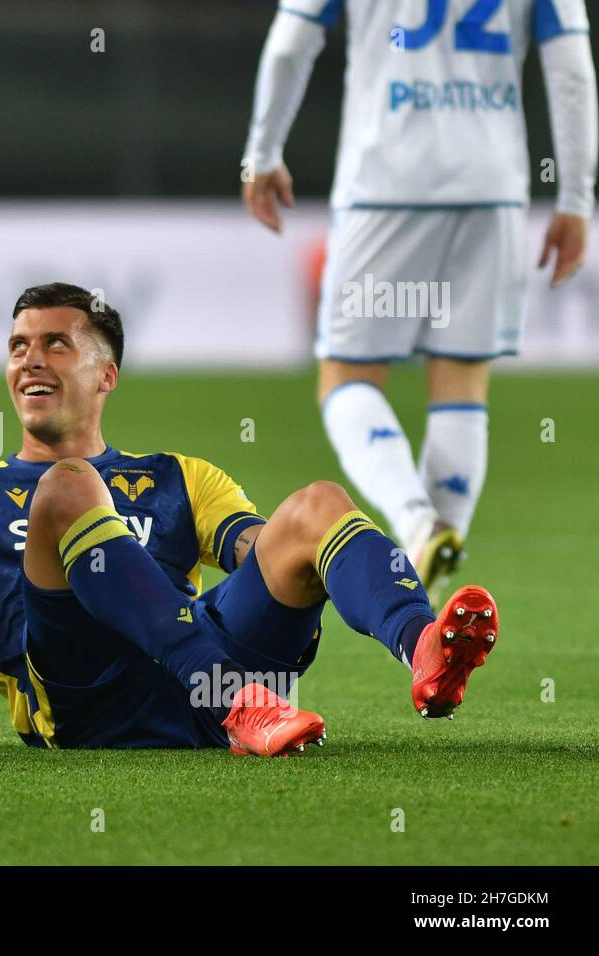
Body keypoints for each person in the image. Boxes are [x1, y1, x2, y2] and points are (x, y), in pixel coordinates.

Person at [0, 283, 500, 756]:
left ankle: (423, 645)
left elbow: (261, 554)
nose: (30, 360)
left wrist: (302, 557)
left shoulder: (178, 477)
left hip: (198, 685)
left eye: (55, 344)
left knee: (315, 504)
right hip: (83, 697)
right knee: (66, 490)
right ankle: (236, 698)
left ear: (106, 374)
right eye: (18, 347)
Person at [241, 0, 597, 598]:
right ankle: (437, 584)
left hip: (387, 183)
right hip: (492, 187)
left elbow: (288, 44)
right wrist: (576, 200)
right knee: (461, 382)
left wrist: (263, 150)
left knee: (345, 377)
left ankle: (416, 523)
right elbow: (572, 71)